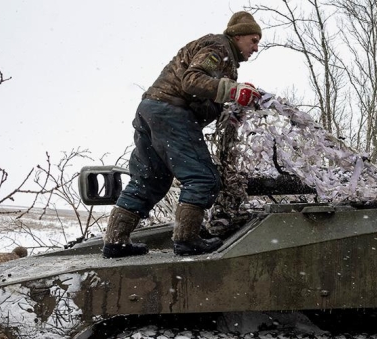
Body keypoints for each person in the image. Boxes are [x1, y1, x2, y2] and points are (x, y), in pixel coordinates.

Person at [102, 11, 263, 258]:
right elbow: (192, 80)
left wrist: (232, 103)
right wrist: (234, 91)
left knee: (149, 179)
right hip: (171, 112)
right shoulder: (217, 49)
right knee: (203, 178)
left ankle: (115, 242)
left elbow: (204, 96)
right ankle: (187, 240)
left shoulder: (223, 57)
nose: (256, 47)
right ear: (238, 35)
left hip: (151, 110)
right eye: (253, 40)